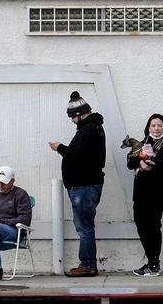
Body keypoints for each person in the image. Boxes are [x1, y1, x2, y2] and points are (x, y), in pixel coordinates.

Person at [49, 91, 105, 277]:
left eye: (73, 117)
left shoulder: (88, 130)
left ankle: (88, 264)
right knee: (85, 226)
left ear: (79, 114)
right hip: (85, 185)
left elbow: (77, 156)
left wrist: (60, 148)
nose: (72, 121)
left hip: (84, 186)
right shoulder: (92, 128)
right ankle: (88, 263)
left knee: (84, 227)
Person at [128, 113, 163, 277]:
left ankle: (154, 264)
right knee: (141, 225)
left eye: (159, 125)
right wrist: (140, 163)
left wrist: (146, 169)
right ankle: (151, 262)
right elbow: (129, 160)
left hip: (154, 196)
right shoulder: (142, 144)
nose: (156, 128)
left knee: (153, 228)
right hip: (139, 195)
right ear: (148, 127)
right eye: (153, 125)